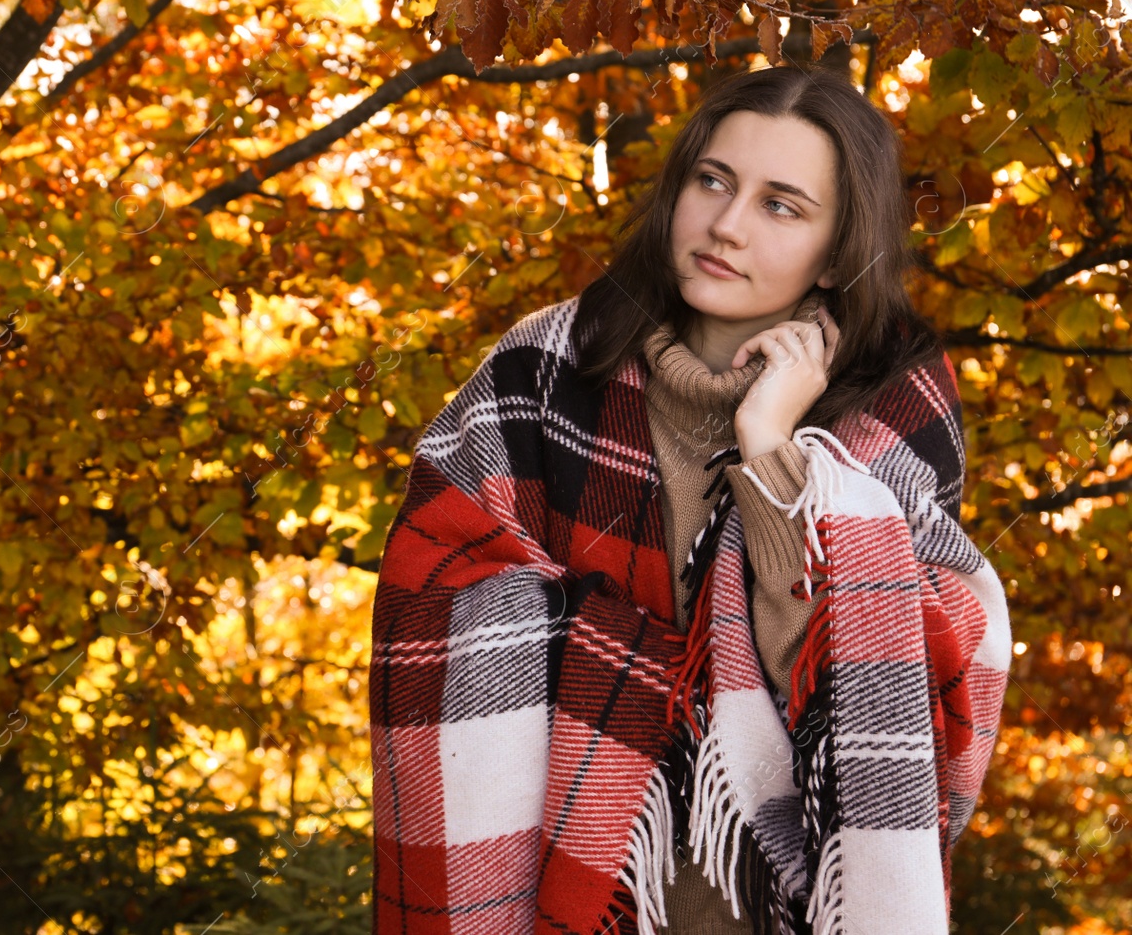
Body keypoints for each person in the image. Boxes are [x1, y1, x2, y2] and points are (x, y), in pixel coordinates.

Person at [368, 64, 1010, 934]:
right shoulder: (546, 369)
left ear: (836, 254)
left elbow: (894, 676)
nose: (727, 225)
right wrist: (643, 680)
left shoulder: (894, 406)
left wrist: (775, 448)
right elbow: (430, 584)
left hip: (778, 905)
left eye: (781, 205)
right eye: (713, 181)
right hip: (567, 887)